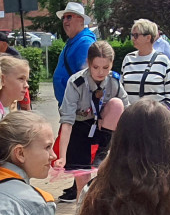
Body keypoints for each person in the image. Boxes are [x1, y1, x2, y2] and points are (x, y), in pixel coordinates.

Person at [54, 41, 127, 175]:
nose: (101, 72)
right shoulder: (76, 82)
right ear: (88, 63)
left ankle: (102, 151)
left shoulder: (114, 81)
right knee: (82, 175)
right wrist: (62, 156)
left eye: (106, 67)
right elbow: (67, 122)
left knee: (117, 104)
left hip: (102, 129)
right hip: (79, 127)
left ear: (112, 64)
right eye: (96, 67)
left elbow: (127, 114)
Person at [121, 19, 170, 107]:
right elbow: (121, 90)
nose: (132, 38)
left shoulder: (163, 60)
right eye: (132, 35)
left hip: (156, 116)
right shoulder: (128, 58)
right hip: (131, 116)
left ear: (148, 37)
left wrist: (162, 113)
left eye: (136, 35)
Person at [52, 2, 97, 105]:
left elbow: (86, 77)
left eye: (69, 17)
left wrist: (73, 96)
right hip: (69, 104)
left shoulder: (85, 43)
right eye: (63, 18)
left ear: (81, 20)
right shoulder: (73, 41)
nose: (65, 21)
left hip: (76, 107)